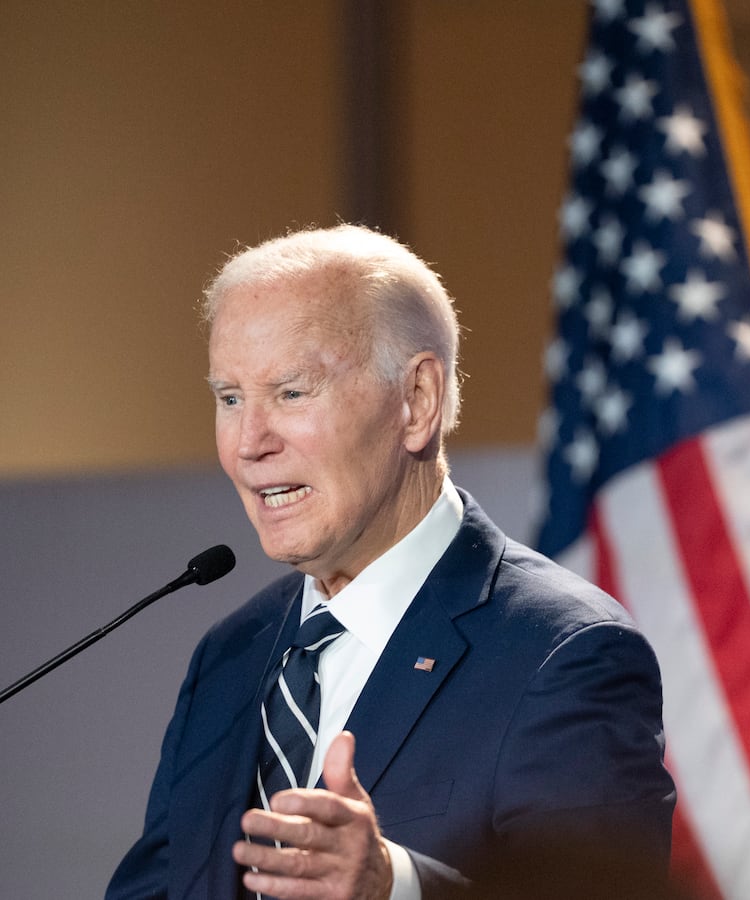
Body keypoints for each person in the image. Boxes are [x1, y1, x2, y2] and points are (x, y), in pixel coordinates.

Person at [106, 224, 675, 899]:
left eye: (291, 392)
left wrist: (393, 886)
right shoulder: (230, 657)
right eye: (230, 398)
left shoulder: (564, 655)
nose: (249, 443)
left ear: (417, 401)